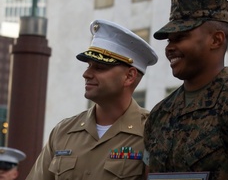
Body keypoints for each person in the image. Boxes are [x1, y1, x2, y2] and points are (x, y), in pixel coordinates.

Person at [143, 0, 228, 180]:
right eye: (169, 40)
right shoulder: (159, 113)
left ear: (216, 40)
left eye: (180, 37)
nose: (169, 47)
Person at [26, 19, 158, 180]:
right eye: (88, 66)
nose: (86, 74)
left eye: (100, 68)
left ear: (129, 76)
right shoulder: (64, 132)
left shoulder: (153, 132)